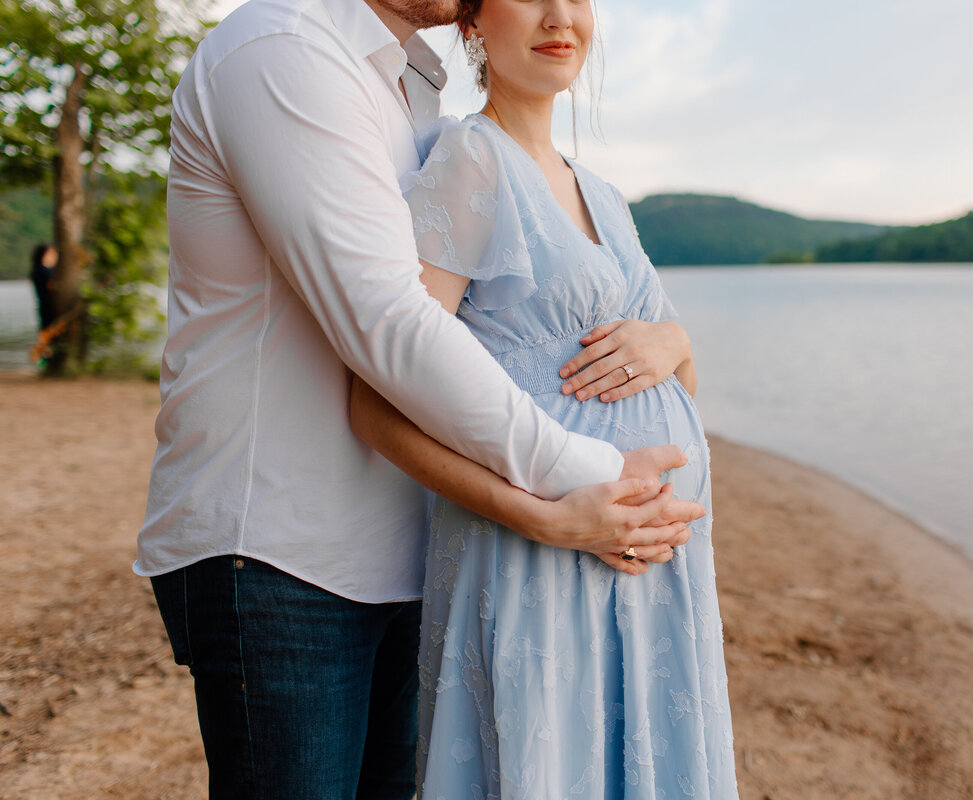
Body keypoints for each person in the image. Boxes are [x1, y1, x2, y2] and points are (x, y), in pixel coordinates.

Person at [135, 0, 702, 797]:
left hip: (410, 544)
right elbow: (389, 326)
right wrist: (588, 478)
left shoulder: (413, 93)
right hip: (276, 548)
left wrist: (674, 341)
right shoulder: (285, 50)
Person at [348, 0, 739, 795]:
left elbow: (682, 388)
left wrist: (679, 342)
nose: (561, 15)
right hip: (538, 556)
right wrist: (544, 517)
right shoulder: (468, 161)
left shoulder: (606, 196)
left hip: (653, 569)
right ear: (471, 23)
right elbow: (378, 401)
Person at [29, 244, 58, 331]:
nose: (55, 257)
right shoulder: (44, 270)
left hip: (43, 307)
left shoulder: (37, 269)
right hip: (49, 307)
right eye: (52, 254)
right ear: (44, 255)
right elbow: (50, 286)